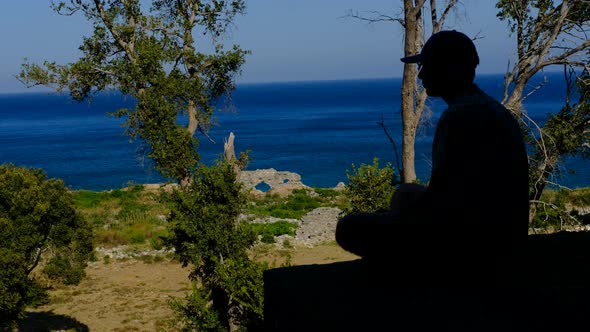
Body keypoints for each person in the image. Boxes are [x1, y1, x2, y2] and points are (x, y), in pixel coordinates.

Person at [335, 30, 529, 279]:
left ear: (452, 69)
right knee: (405, 193)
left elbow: (440, 202)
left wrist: (395, 218)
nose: (422, 74)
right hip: (503, 231)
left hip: (474, 244)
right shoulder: (490, 108)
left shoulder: (459, 117)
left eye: (429, 66)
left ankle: (413, 275)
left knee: (349, 228)